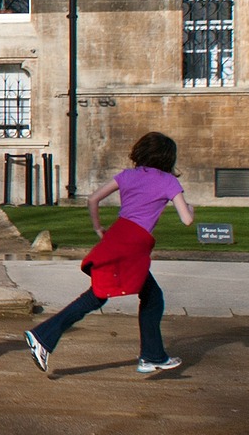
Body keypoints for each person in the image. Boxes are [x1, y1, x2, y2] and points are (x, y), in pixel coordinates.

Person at [26, 132, 193, 378]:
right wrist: (190, 209)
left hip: (117, 237)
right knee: (97, 296)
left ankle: (152, 356)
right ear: (168, 158)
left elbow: (93, 199)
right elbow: (187, 220)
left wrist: (97, 228)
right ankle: (43, 336)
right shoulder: (169, 182)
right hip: (133, 246)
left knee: (151, 296)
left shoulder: (127, 176)